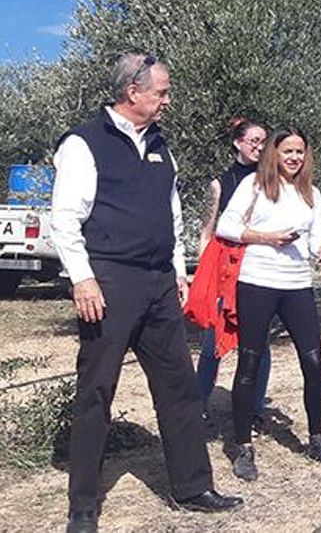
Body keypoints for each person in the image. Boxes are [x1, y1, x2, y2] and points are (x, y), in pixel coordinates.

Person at [50, 53, 243, 533]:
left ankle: (193, 487)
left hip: (159, 283)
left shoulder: (161, 146)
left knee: (177, 386)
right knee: (96, 390)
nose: (167, 100)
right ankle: (83, 506)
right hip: (108, 281)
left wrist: (178, 270)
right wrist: (82, 278)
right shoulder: (83, 143)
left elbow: (171, 214)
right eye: (161, 92)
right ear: (132, 92)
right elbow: (65, 219)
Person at [215, 126, 321, 481]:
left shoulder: (312, 194)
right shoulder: (254, 186)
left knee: (314, 361)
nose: (294, 157)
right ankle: (243, 447)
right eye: (287, 151)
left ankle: (317, 438)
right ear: (274, 153)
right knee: (250, 362)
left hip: (298, 284)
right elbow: (226, 226)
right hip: (257, 281)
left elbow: (316, 241)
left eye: (300, 151)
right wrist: (266, 237)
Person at [194, 116, 271, 425]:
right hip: (225, 269)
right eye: (254, 141)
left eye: (264, 142)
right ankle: (198, 404)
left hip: (259, 266)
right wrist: (204, 275)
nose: (260, 147)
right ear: (238, 143)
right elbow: (207, 231)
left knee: (259, 342)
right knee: (213, 342)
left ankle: (254, 408)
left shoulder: (272, 181)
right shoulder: (220, 184)